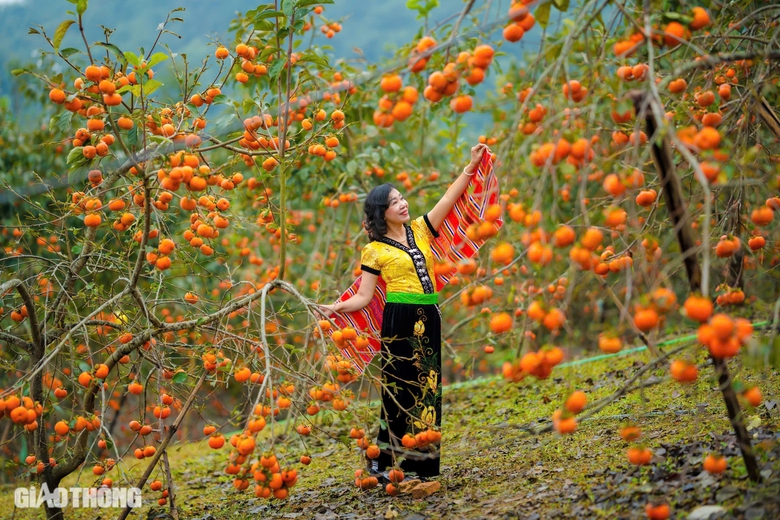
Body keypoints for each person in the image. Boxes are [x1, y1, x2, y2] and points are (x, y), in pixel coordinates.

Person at [318, 143, 496, 480]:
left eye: (402, 199)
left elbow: (449, 199)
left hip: (429, 317)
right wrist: (336, 307)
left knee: (429, 386)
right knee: (399, 388)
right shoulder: (373, 250)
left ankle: (422, 463)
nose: (402, 204)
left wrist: (471, 166)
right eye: (394, 202)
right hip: (398, 319)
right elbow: (365, 296)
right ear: (381, 212)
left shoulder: (421, 230)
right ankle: (382, 460)